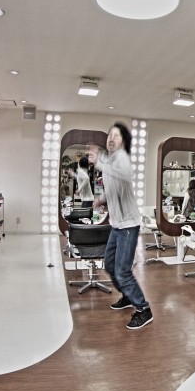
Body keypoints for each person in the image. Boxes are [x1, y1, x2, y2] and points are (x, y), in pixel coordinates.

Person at [87, 122, 152, 330]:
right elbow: (112, 186)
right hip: (116, 225)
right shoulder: (111, 161)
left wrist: (99, 163)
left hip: (128, 225)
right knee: (109, 264)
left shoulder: (122, 158)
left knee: (122, 271)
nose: (111, 138)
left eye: (116, 135)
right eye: (109, 135)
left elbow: (124, 175)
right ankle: (127, 295)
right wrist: (100, 200)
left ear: (123, 142)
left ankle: (143, 309)